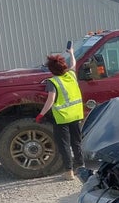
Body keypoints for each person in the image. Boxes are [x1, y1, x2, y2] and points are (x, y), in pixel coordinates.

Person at [36, 46, 84, 180]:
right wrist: (72, 53)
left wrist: (41, 114)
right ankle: (80, 167)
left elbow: (50, 100)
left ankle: (69, 172)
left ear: (51, 70)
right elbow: (74, 64)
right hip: (76, 115)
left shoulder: (53, 82)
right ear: (64, 66)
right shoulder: (71, 75)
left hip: (62, 118)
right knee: (76, 142)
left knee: (64, 145)